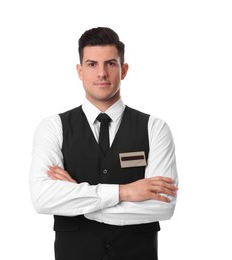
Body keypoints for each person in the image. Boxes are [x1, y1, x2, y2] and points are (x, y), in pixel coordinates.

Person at [29, 27, 178, 260]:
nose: (102, 73)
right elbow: (43, 198)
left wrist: (79, 203)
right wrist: (125, 192)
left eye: (110, 63)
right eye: (91, 64)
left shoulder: (155, 128)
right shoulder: (53, 127)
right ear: (79, 71)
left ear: (124, 70)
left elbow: (162, 206)